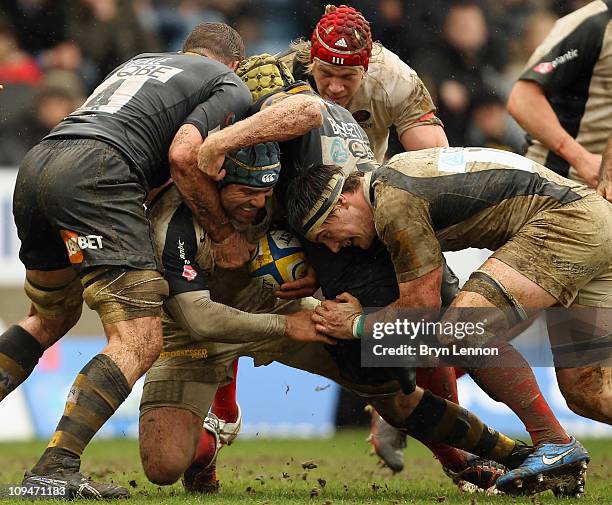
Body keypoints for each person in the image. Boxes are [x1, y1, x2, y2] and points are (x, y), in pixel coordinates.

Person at [139, 143, 536, 496]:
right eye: (246, 192)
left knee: (390, 392)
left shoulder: (287, 186)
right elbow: (199, 318)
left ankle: (506, 455)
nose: (258, 204)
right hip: (191, 334)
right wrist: (288, 326)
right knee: (162, 467)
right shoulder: (173, 220)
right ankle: (206, 450)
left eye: (264, 193)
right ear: (216, 180)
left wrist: (316, 273)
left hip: (274, 306)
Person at [0, 23, 252, 498]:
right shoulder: (227, 83)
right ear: (235, 63)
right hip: (98, 172)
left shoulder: (139, 63)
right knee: (139, 337)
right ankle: (55, 467)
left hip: (40, 163)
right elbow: (183, 155)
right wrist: (222, 232)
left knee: (47, 319)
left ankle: (54, 466)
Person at [284, 146, 612, 496]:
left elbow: (423, 309)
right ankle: (556, 448)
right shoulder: (395, 177)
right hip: (595, 223)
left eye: (326, 234)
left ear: (342, 203)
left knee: (462, 328)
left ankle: (554, 443)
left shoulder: (393, 203)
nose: (335, 248)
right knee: (587, 392)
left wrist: (357, 324)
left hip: (566, 226)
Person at [507, 0, 612, 188]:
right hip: (556, 181)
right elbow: (522, 99)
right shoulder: (593, 24)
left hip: (602, 192)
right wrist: (582, 159)